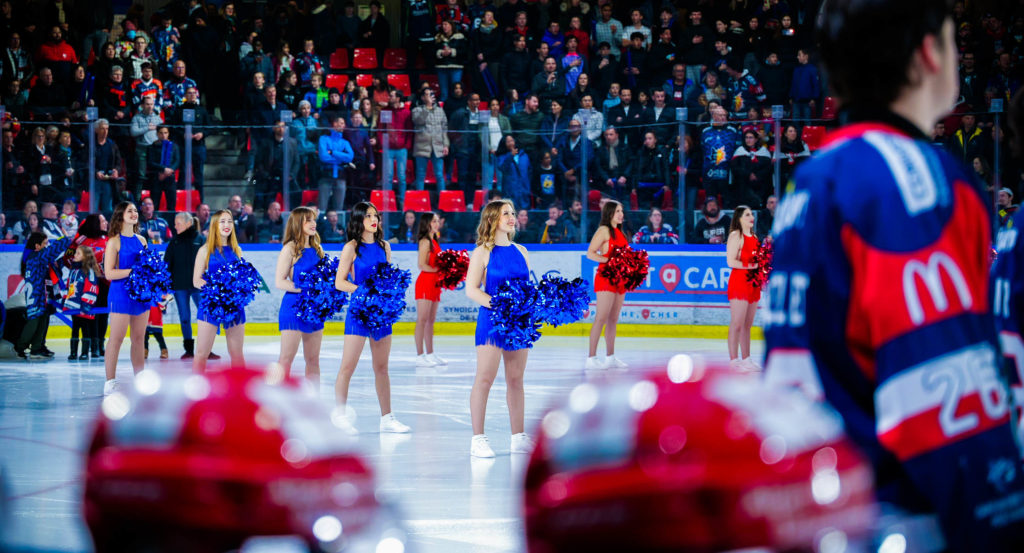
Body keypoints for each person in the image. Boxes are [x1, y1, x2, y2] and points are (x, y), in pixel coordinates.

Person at [766, 1, 1024, 549]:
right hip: (904, 516)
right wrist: (1001, 514)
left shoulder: (813, 177)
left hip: (822, 505)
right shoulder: (915, 179)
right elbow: (943, 390)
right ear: (930, 54)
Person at [332, 202, 411, 434]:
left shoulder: (385, 246)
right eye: (368, 216)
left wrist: (389, 294)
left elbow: (387, 278)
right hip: (358, 312)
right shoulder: (351, 247)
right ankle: (340, 417)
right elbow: (339, 282)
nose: (373, 219)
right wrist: (364, 292)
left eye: (375, 215)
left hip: (381, 314)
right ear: (359, 219)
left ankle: (387, 418)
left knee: (382, 367)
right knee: (347, 367)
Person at [465, 199, 534, 458]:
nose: (512, 217)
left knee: (516, 380)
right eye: (506, 213)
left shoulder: (522, 250)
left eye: (512, 213)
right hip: (492, 320)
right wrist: (500, 305)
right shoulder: (482, 251)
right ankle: (478, 439)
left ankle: (518, 437)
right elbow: (472, 290)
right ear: (492, 219)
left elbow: (527, 288)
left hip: (519, 323)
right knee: (485, 378)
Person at [275, 206, 327, 386]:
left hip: (314, 309)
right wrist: (306, 289)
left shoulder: (318, 248)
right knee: (286, 358)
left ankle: (313, 399)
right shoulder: (289, 248)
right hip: (293, 307)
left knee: (313, 360)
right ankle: (277, 398)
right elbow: (280, 281)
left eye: (314, 220)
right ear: (298, 223)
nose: (313, 224)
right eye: (308, 220)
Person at [193, 210, 248, 373]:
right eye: (222, 222)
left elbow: (241, 278)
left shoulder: (237, 250)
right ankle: (196, 387)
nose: (226, 225)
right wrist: (217, 291)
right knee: (202, 353)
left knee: (237, 354)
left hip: (234, 305)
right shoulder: (205, 250)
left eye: (229, 221)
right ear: (214, 225)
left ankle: (239, 387)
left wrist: (241, 288)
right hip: (211, 304)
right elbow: (196, 280)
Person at [103, 202, 150, 395]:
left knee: (139, 338)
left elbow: (148, 269)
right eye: (129, 211)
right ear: (120, 215)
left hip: (141, 294)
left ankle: (140, 379)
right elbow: (109, 273)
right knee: (116, 338)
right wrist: (133, 271)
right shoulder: (114, 241)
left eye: (135, 211)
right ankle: (110, 381)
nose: (134, 213)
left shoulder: (142, 240)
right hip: (120, 293)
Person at [585, 200, 629, 370]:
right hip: (606, 277)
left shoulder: (620, 232)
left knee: (613, 319)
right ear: (609, 213)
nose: (621, 214)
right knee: (601, 317)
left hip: (620, 278)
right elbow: (590, 253)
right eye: (617, 211)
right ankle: (591, 357)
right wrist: (608, 260)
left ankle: (610, 357)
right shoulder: (603, 230)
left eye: (622, 211)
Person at [17, 230, 70, 360]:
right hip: (36, 297)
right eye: (45, 244)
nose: (47, 246)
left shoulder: (38, 257)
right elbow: (52, 251)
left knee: (43, 320)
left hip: (42, 296)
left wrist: (67, 256)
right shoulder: (35, 257)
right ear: (37, 246)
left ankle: (37, 348)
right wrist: (67, 239)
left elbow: (54, 264)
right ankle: (19, 348)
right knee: (34, 322)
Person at [165, 212, 207, 360]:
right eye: (175, 223)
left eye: (178, 223)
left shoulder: (201, 240)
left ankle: (206, 349)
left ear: (188, 224)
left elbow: (209, 262)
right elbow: (167, 264)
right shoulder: (174, 242)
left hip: (198, 286)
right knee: (184, 318)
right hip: (179, 287)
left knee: (205, 316)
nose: (175, 226)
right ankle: (189, 350)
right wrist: (166, 287)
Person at [724, 206, 760, 371]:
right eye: (747, 215)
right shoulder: (735, 235)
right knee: (737, 323)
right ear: (739, 219)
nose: (751, 217)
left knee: (747, 325)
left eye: (751, 214)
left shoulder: (754, 237)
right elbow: (730, 261)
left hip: (753, 283)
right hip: (739, 282)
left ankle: (746, 359)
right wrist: (752, 266)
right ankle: (734, 361)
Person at [413, 212, 447, 367]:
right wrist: (438, 270)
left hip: (435, 283)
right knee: (422, 319)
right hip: (426, 282)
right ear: (427, 223)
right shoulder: (425, 241)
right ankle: (420, 355)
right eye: (433, 221)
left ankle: (430, 353)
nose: (437, 223)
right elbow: (421, 265)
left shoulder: (434, 240)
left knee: (430, 321)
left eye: (437, 221)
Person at [60, 244, 100, 362]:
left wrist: (86, 305)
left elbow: (92, 288)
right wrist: (65, 299)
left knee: (85, 329)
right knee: (75, 328)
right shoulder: (73, 270)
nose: (75, 255)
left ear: (85, 257)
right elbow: (69, 286)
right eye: (75, 253)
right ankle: (73, 352)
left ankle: (84, 353)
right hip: (74, 307)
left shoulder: (89, 271)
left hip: (84, 307)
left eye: (78, 253)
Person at [318, 115, 354, 212]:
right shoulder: (323, 139)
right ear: (335, 124)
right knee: (322, 207)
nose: (343, 125)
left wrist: (333, 152)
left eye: (343, 124)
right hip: (326, 175)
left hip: (340, 176)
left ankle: (338, 222)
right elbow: (323, 156)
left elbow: (350, 157)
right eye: (341, 123)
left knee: (339, 207)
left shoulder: (345, 142)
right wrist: (341, 159)